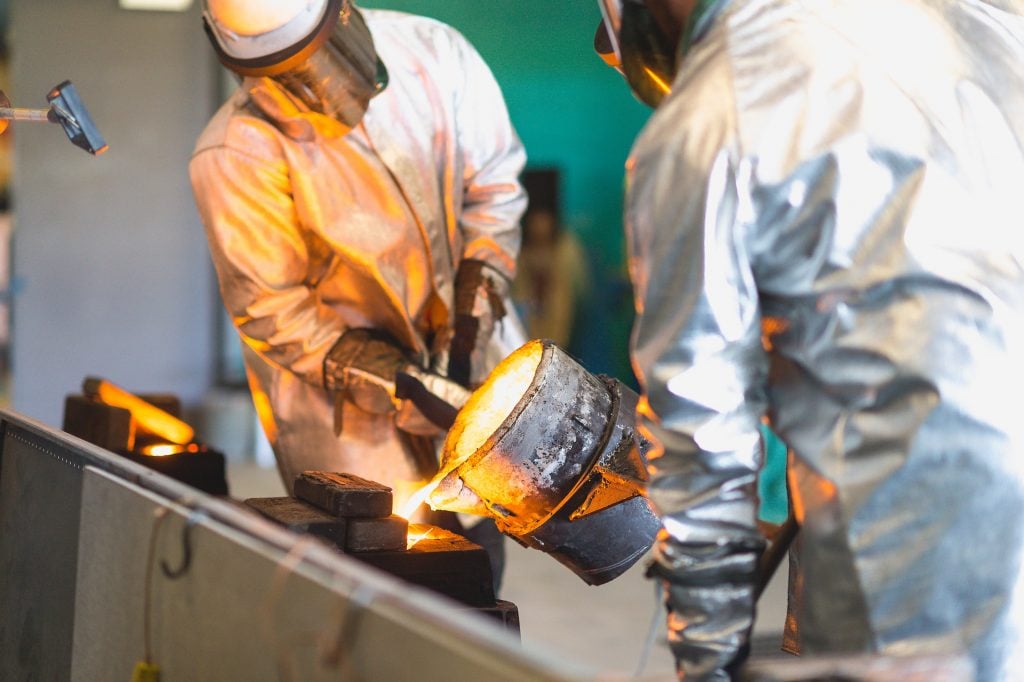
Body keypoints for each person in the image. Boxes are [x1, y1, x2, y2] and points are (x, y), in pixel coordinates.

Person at [596, 0, 1024, 679]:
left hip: (914, 556)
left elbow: (705, 443)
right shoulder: (983, 17)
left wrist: (707, 656)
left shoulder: (713, 109)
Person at [189, 0, 527, 574]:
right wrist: (394, 381)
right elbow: (275, 309)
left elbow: (493, 190)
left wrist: (472, 310)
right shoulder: (233, 153)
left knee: (477, 560)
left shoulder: (435, 53)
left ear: (341, 15)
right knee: (376, 579)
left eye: (321, 59)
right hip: (347, 427)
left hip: (474, 372)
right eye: (288, 77)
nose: (320, 93)